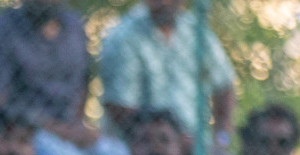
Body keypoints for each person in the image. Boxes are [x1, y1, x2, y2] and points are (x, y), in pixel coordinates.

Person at [0, 0, 122, 155]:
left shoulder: (74, 25)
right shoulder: (0, 30)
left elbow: (83, 83)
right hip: (25, 133)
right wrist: (58, 130)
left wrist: (76, 126)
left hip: (70, 128)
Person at [99, 0, 235, 144]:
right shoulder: (124, 35)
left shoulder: (197, 31)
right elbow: (119, 106)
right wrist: (169, 140)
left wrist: (221, 138)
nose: (164, 2)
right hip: (138, 147)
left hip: (195, 145)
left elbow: (224, 84)